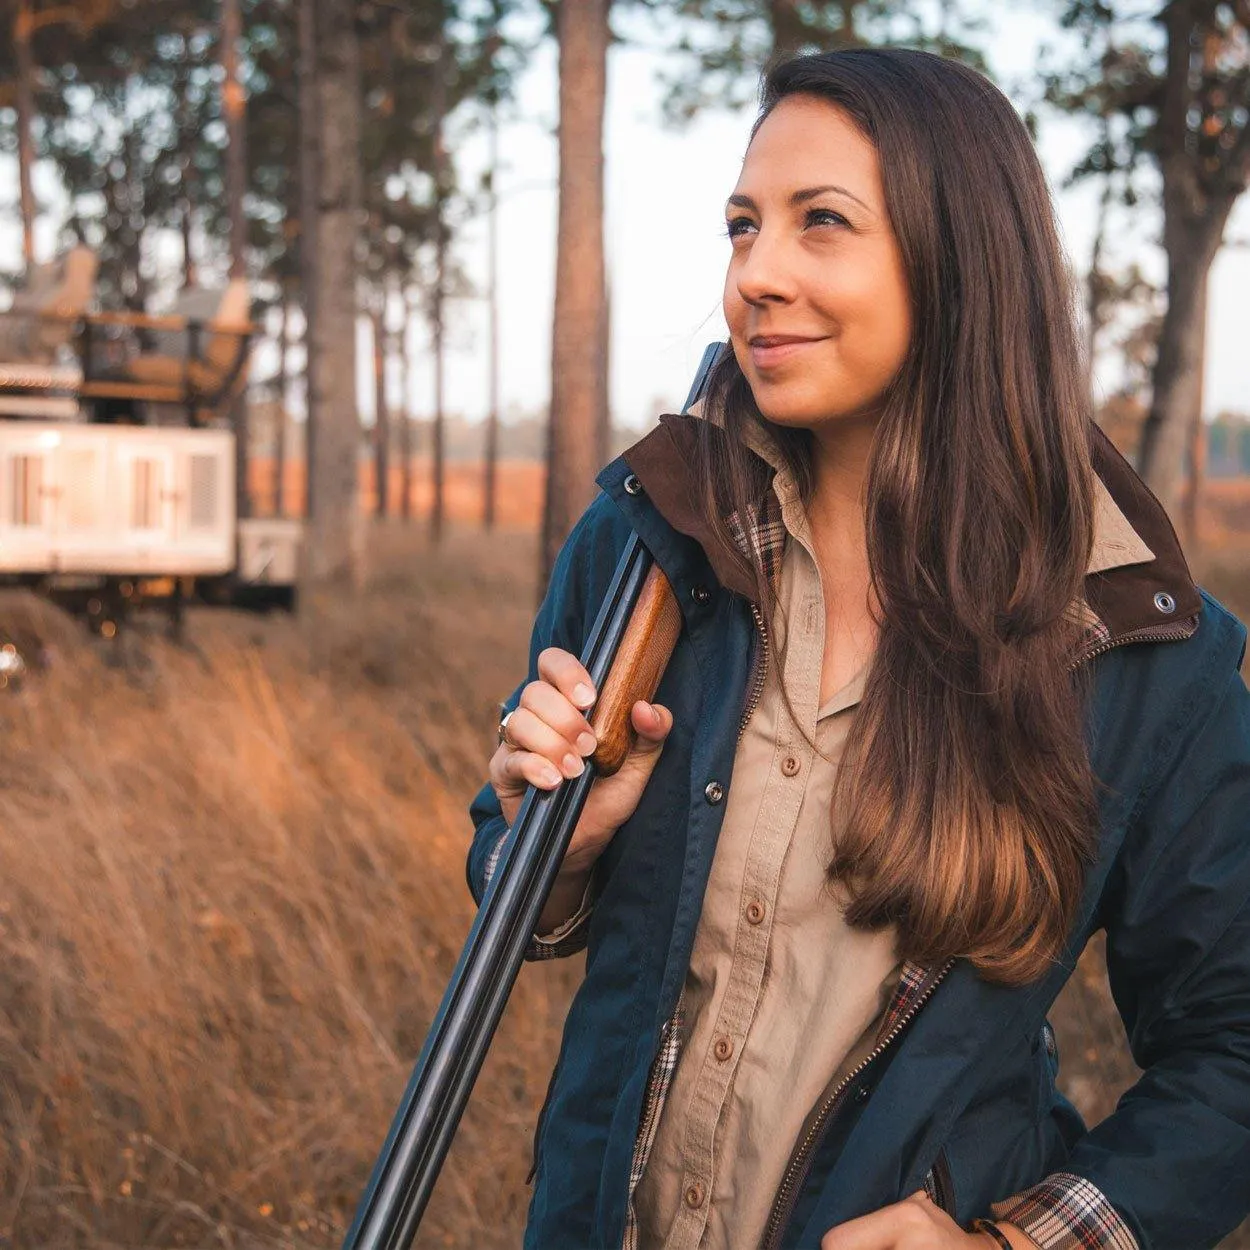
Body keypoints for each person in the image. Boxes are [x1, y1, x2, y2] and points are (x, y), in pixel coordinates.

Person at [466, 47, 1250, 1250]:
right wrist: (551, 846)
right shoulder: (644, 553)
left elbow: (1231, 1043)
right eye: (741, 226)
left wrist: (1017, 1245)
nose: (754, 274)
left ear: (960, 261)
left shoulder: (1135, 649)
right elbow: (517, 893)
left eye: (819, 222)